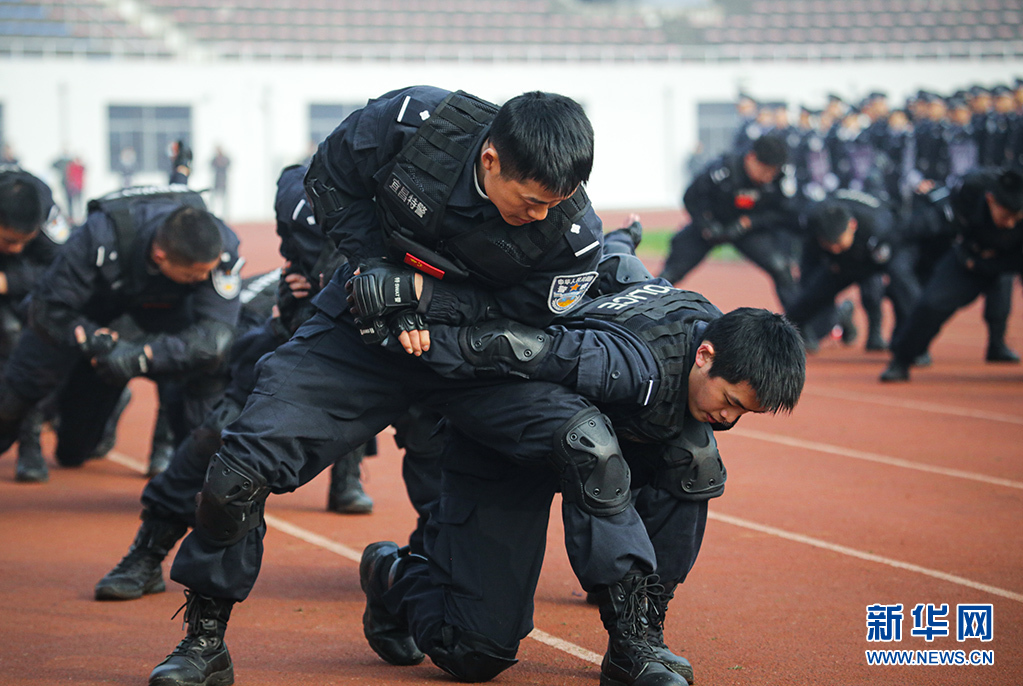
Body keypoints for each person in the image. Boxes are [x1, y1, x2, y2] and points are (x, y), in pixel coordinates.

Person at [145, 87, 636, 686]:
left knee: (588, 449)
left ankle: (636, 640)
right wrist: (375, 268)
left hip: (477, 360)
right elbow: (329, 181)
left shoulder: (576, 235)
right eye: (530, 200)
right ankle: (203, 644)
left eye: (555, 203)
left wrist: (425, 297)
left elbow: (531, 322)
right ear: (489, 159)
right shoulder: (413, 123)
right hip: (362, 335)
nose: (541, 215)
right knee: (238, 470)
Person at [360, 254, 806, 685]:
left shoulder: (710, 334)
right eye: (730, 401)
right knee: (477, 651)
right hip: (508, 448)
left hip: (593, 438)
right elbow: (518, 350)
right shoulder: (624, 362)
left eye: (744, 413)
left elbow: (616, 265)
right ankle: (393, 574)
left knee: (695, 459)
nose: (729, 418)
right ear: (704, 356)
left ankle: (637, 638)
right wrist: (413, 347)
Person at [91, 165, 386, 602]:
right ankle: (149, 552)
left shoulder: (449, 215)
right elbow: (303, 252)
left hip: (423, 349)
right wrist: (303, 289)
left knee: (446, 458)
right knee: (220, 435)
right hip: (320, 336)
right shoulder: (304, 193)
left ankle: (416, 579)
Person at [0, 184, 242, 477]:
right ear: (160, 255)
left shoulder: (218, 246)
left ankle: (177, 458)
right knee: (55, 434)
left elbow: (215, 335)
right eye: (193, 275)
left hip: (167, 320)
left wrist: (144, 355)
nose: (204, 279)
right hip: (97, 316)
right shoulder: (97, 236)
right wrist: (94, 339)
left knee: (209, 362)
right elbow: (49, 309)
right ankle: (75, 416)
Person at [880, 167, 1023, 381]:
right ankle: (902, 359)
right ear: (991, 199)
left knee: (1000, 303)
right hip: (970, 260)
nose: (1010, 223)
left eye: (1017, 217)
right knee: (930, 304)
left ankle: (997, 346)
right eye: (1005, 215)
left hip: (1011, 260)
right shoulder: (970, 190)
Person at [658, 134, 801, 312]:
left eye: (772, 172)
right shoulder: (722, 169)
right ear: (751, 158)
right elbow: (691, 197)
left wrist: (749, 222)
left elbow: (784, 213)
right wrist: (706, 225)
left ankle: (801, 325)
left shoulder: (779, 179)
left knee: (780, 268)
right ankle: (643, 310)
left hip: (748, 230)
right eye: (765, 170)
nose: (768, 177)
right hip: (712, 225)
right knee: (671, 272)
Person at [0, 165, 73, 482]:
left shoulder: (46, 213)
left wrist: (9, 279)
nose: (14, 247)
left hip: (29, 290)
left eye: (22, 240)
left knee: (21, 339)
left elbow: (66, 270)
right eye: (6, 239)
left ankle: (30, 445)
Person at [786, 190, 916, 351]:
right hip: (840, 264)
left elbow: (897, 262)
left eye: (838, 244)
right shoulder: (813, 219)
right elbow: (810, 260)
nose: (835, 249)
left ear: (852, 225)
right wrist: (830, 261)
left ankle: (888, 338)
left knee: (879, 291)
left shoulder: (881, 225)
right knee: (813, 294)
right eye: (829, 245)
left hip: (872, 257)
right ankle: (791, 333)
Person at [209, 146, 231, 218]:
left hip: (223, 181)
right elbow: (211, 164)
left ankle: (225, 215)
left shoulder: (225, 159)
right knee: (214, 199)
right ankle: (213, 213)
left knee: (225, 200)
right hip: (216, 181)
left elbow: (228, 163)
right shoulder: (215, 159)